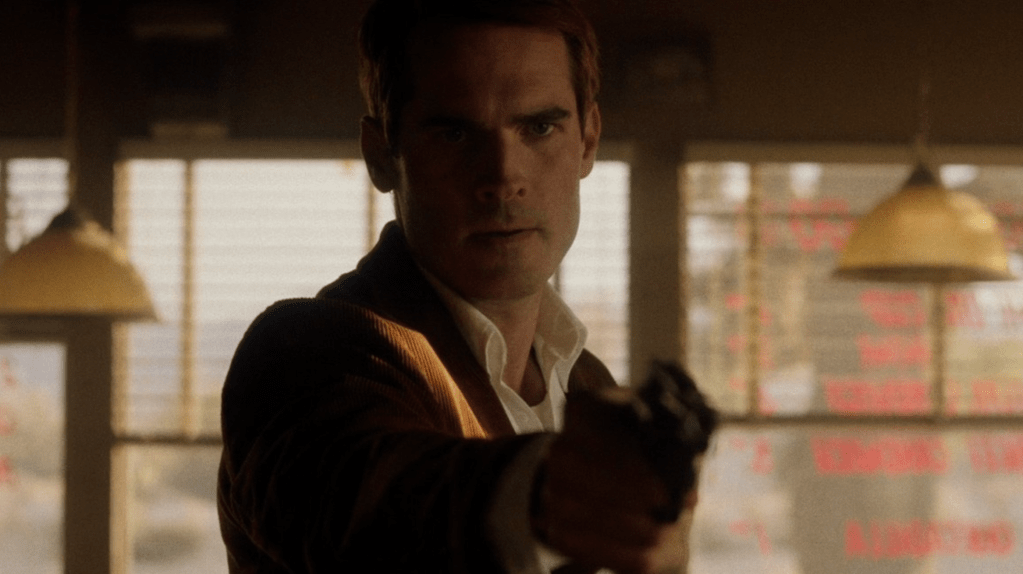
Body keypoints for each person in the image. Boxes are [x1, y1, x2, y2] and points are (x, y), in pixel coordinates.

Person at [217, 1, 713, 572]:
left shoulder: (586, 381)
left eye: (539, 127)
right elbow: (369, 505)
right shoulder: (303, 352)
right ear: (382, 156)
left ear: (589, 140)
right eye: (454, 133)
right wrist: (540, 500)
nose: (503, 177)